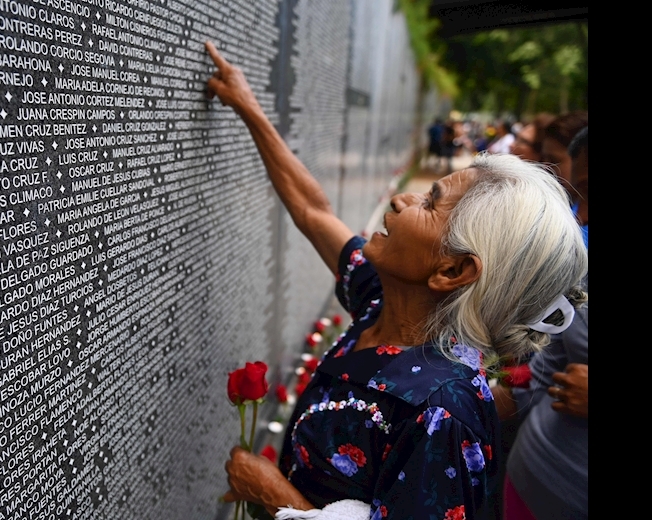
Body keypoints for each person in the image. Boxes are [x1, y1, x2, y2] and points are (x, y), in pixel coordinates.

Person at [204, 41, 588, 520]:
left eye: (429, 203)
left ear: (452, 271)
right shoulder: (385, 301)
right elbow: (312, 209)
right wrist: (248, 106)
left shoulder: (441, 413)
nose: (402, 201)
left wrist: (274, 495)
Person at [493, 127, 588, 520]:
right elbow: (544, 376)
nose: (581, 214)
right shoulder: (581, 273)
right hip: (529, 478)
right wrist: (457, 395)